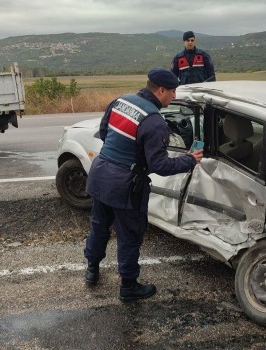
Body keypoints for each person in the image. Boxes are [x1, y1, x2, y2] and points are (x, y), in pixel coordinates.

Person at [84, 68, 204, 301]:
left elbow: (103, 131)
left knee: (99, 226)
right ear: (161, 90)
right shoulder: (155, 121)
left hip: (100, 174)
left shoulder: (120, 101)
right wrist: (190, 160)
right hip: (125, 185)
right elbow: (159, 165)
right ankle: (129, 287)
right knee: (129, 235)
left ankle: (92, 270)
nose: (174, 95)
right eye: (172, 91)